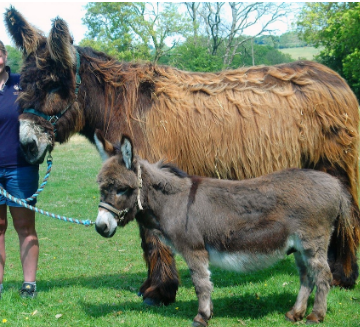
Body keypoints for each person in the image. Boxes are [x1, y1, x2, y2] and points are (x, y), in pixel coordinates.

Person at [0, 40, 39, 298]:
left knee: (24, 227)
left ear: (3, 56)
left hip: (20, 168)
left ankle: (29, 284)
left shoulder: (21, 84)